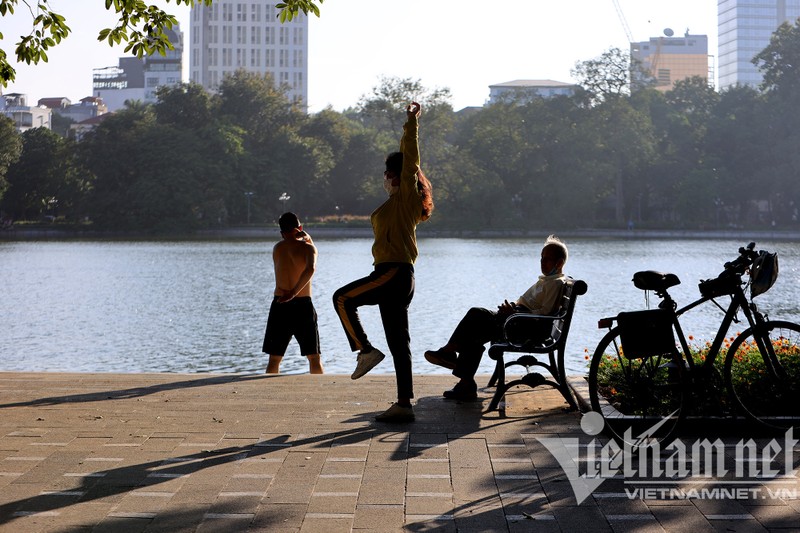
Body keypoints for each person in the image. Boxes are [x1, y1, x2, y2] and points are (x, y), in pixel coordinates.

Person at [332, 101, 434, 423]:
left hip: (394, 273)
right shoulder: (394, 204)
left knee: (342, 298)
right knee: (398, 342)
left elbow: (410, 158)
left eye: (388, 173)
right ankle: (404, 404)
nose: (385, 178)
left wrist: (411, 122)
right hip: (396, 277)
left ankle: (364, 350)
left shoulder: (406, 198)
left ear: (398, 176)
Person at [424, 235, 569, 401]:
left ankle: (451, 355)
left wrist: (514, 314)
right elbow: (528, 302)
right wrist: (512, 308)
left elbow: (544, 314)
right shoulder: (546, 280)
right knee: (475, 331)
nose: (542, 262)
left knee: (476, 314)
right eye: (541, 258)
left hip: (526, 328)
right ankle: (464, 380)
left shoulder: (555, 283)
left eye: (547, 259)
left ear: (559, 263)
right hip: (518, 320)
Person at [262, 212, 323, 374]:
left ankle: (267, 393)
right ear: (300, 228)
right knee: (314, 357)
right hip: (302, 304)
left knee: (274, 358)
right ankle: (320, 394)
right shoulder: (309, 248)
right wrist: (295, 292)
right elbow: (310, 268)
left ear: (282, 233)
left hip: (280, 303)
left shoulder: (278, 248)